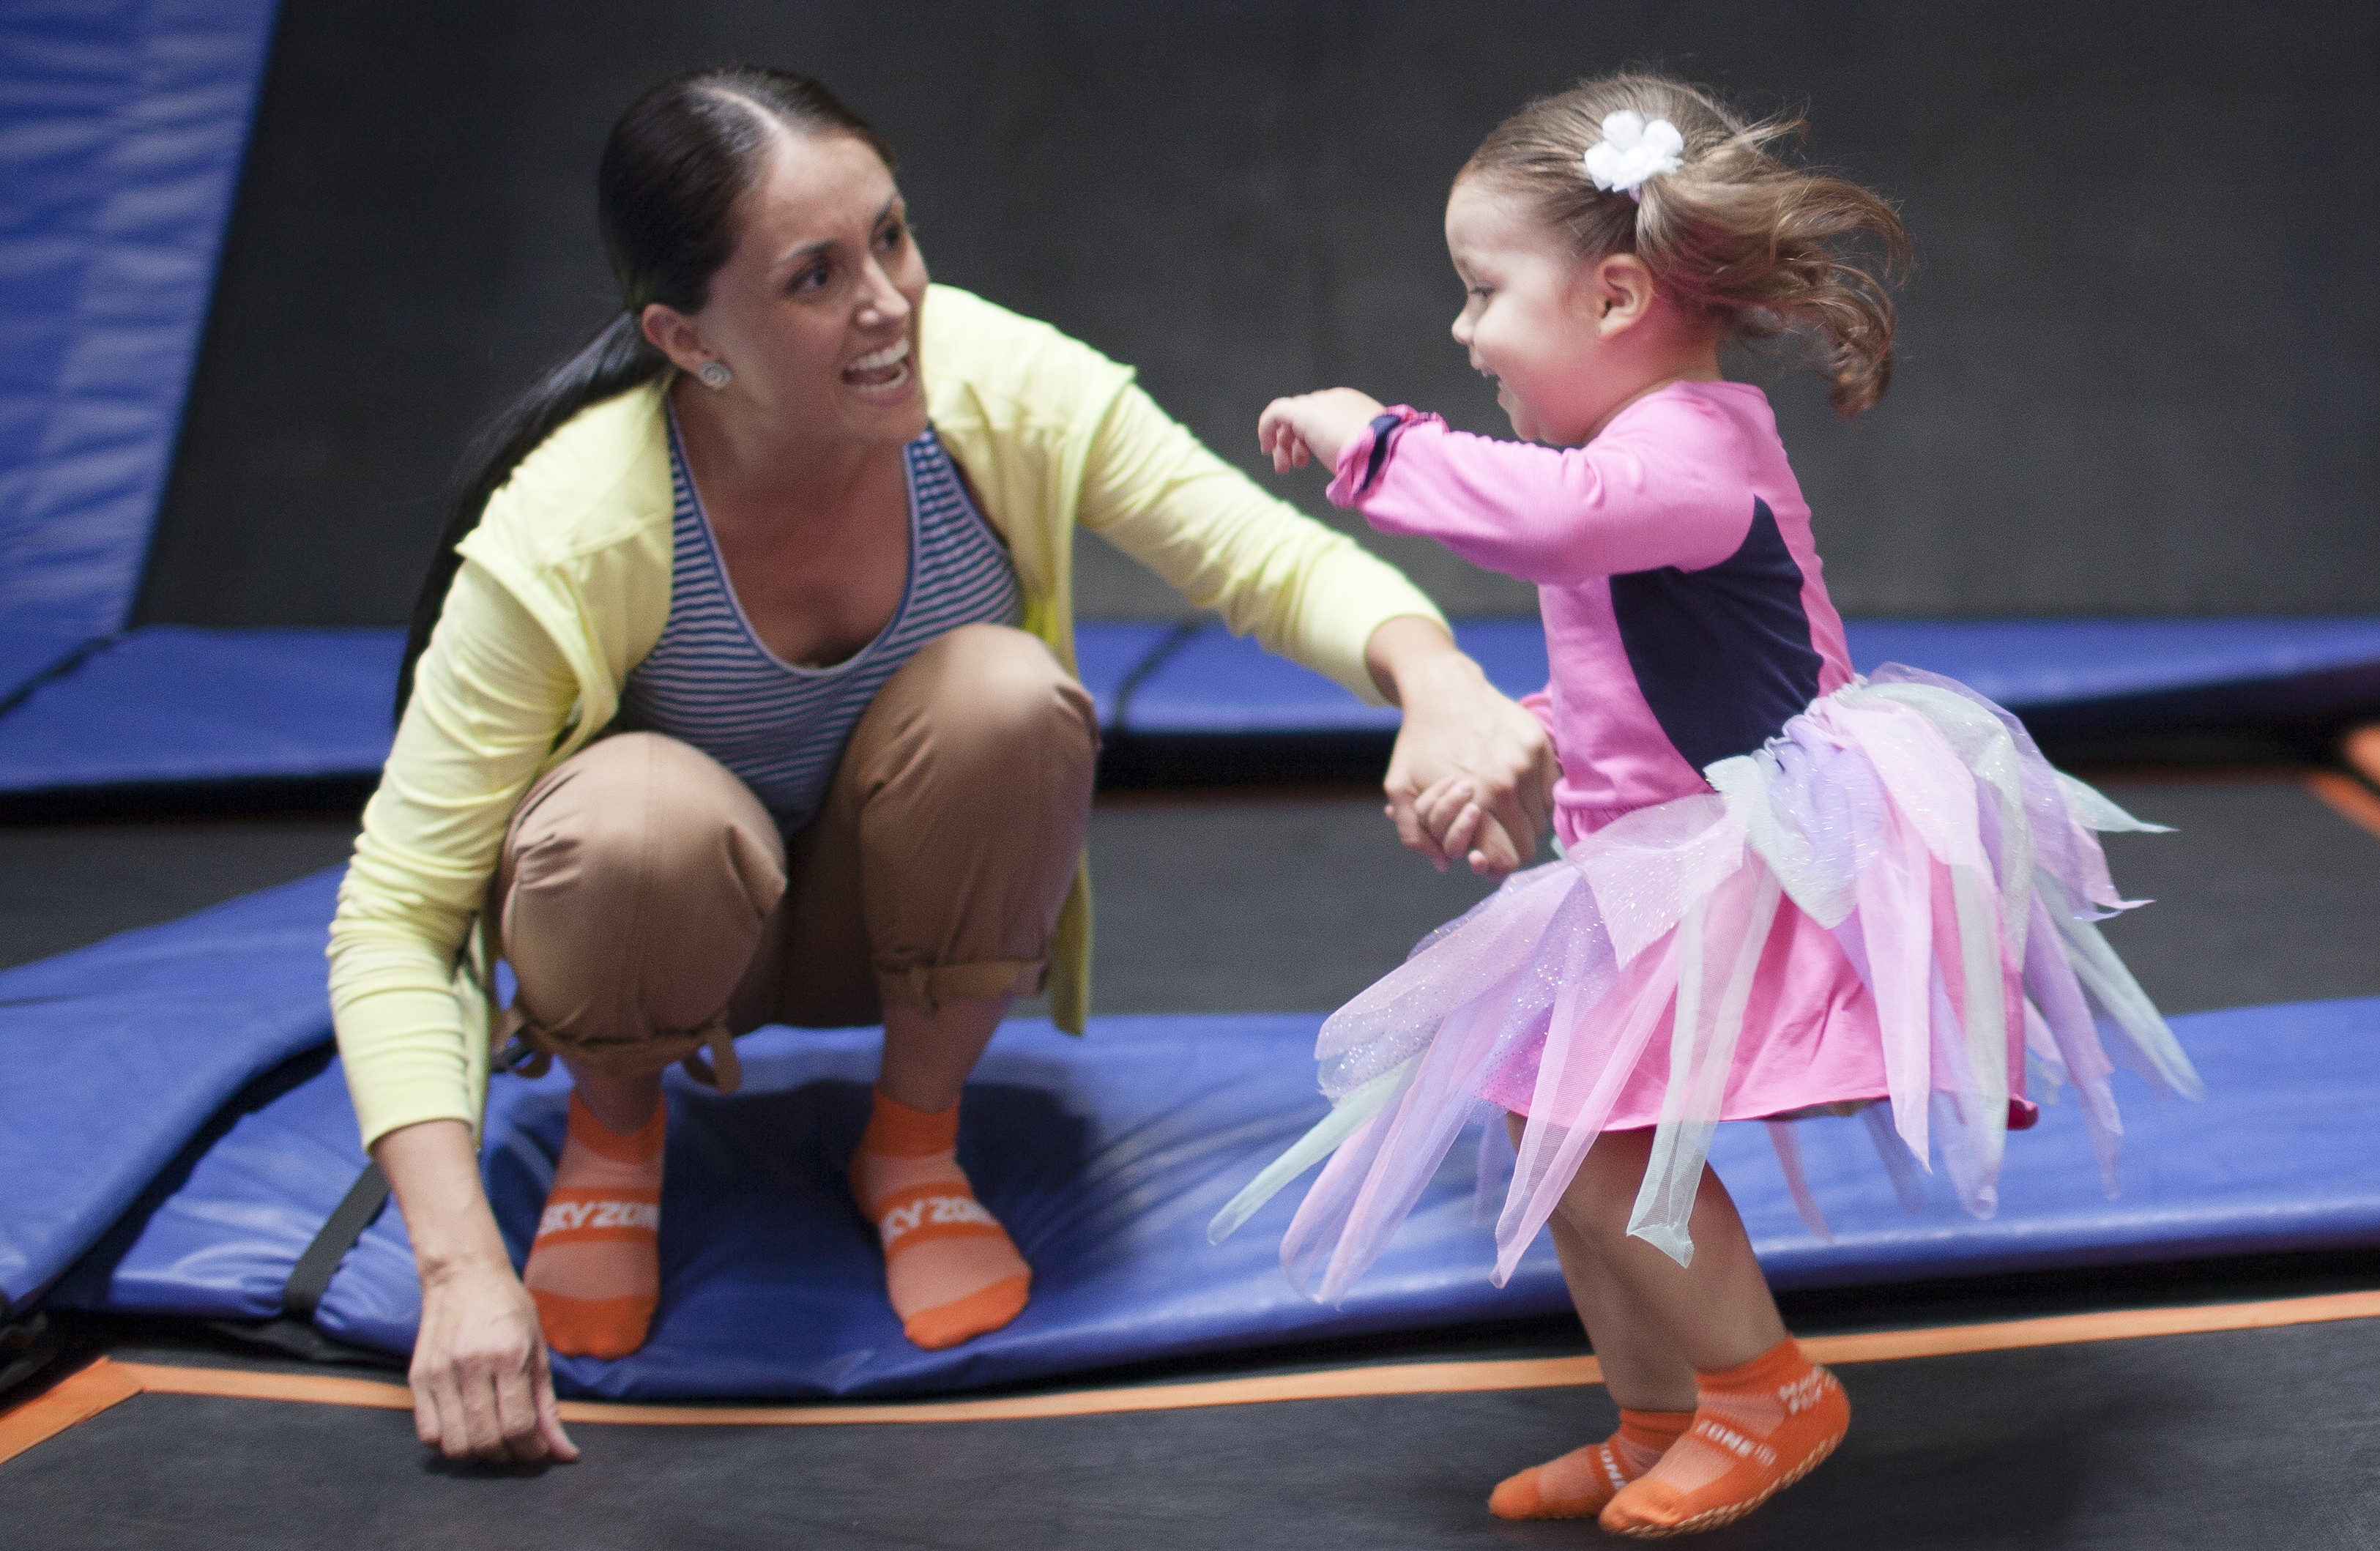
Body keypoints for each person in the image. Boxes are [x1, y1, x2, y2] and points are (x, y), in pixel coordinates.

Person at [332, 66, 1551, 1465]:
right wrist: (456, 1269)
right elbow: (395, 916)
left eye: (893, 237)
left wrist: (1439, 682)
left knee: (1008, 698)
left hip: (898, 927)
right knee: (634, 818)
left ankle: (909, 1138)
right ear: (687, 335)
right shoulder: (567, 527)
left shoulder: (995, 382)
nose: (889, 301)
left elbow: (1256, 554)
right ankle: (616, 1137)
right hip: (664, 943)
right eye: (814, 277)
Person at [1213, 75, 2200, 1536]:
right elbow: (1627, 673)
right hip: (1655, 842)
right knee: (1545, 1127)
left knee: (1596, 1132)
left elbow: (1550, 525)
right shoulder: (1632, 457)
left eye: (1481, 291)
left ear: (1613, 296)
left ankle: (1765, 1390)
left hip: (1770, 845)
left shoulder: (1688, 450)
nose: (1462, 329)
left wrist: (1375, 444)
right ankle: (1656, 1411)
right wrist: (1529, 745)